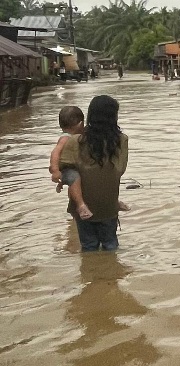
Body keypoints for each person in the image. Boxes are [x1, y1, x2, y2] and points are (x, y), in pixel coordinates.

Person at [56, 94, 129, 252]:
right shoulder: (121, 140)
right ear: (113, 117)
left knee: (88, 247)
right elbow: (119, 170)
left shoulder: (75, 141)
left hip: (83, 206)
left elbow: (64, 169)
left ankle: (90, 275)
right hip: (109, 204)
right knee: (111, 246)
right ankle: (112, 275)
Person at [48, 105, 92, 219]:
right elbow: (55, 153)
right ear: (80, 124)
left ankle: (74, 211)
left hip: (71, 168)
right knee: (74, 178)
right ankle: (80, 205)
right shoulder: (66, 138)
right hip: (67, 170)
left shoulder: (77, 137)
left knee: (75, 182)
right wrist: (55, 171)